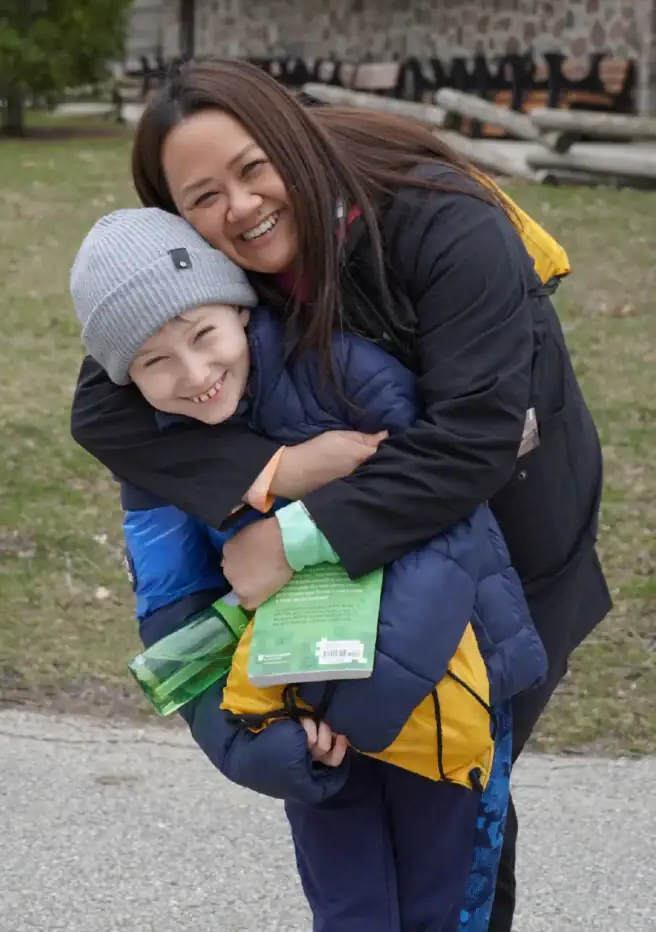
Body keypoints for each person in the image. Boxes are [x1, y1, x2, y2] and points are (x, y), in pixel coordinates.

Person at [70, 59, 611, 931]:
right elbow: (102, 406)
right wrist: (280, 475)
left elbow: (472, 442)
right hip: (334, 601)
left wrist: (289, 536)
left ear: (293, 138)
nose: (239, 208)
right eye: (203, 196)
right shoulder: (196, 294)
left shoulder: (444, 217)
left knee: (459, 797)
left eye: (253, 169)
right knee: (357, 843)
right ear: (177, 219)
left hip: (511, 531)